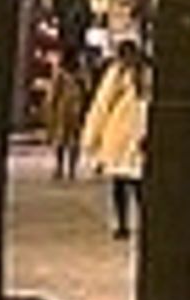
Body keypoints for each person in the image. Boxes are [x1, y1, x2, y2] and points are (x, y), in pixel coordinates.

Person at [82, 38, 148, 238]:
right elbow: (102, 105)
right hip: (127, 135)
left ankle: (124, 224)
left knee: (126, 185)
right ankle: (129, 223)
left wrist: (91, 138)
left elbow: (101, 106)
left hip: (124, 135)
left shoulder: (122, 75)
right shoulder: (137, 75)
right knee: (134, 185)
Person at [45, 52, 89, 180]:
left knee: (71, 141)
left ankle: (68, 168)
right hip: (65, 109)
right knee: (63, 140)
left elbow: (87, 88)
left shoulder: (80, 73)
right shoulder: (61, 73)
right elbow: (54, 92)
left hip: (71, 109)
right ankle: (63, 167)